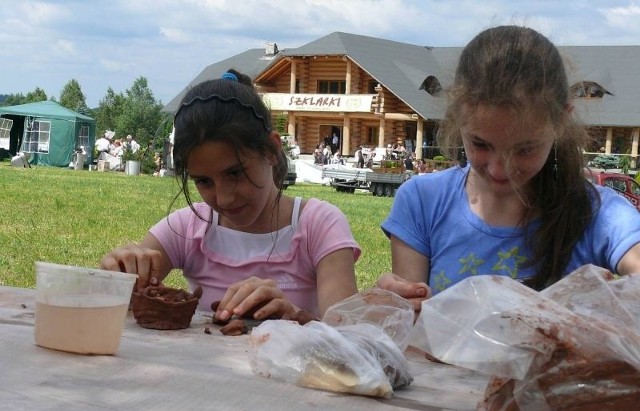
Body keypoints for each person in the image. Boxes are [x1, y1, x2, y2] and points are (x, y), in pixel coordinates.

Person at [376, 25, 640, 312]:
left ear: (561, 122)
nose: (499, 169)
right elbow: (410, 332)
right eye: (480, 143)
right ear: (457, 114)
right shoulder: (421, 203)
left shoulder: (601, 215)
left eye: (524, 149)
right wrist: (399, 306)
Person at [100, 69, 361, 321]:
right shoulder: (188, 228)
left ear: (271, 149)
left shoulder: (319, 226)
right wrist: (118, 274)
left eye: (235, 174)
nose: (223, 199)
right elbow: (106, 303)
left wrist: (295, 316)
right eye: (203, 181)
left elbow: (349, 339)